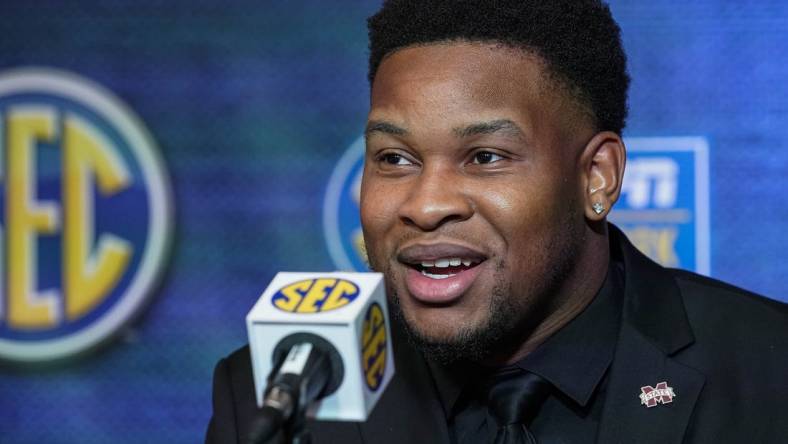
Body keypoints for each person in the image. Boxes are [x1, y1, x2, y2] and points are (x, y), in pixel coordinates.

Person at [206, 1, 788, 443]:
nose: (426, 204)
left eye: (485, 157)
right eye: (394, 159)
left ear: (597, 178)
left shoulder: (768, 370)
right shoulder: (278, 394)